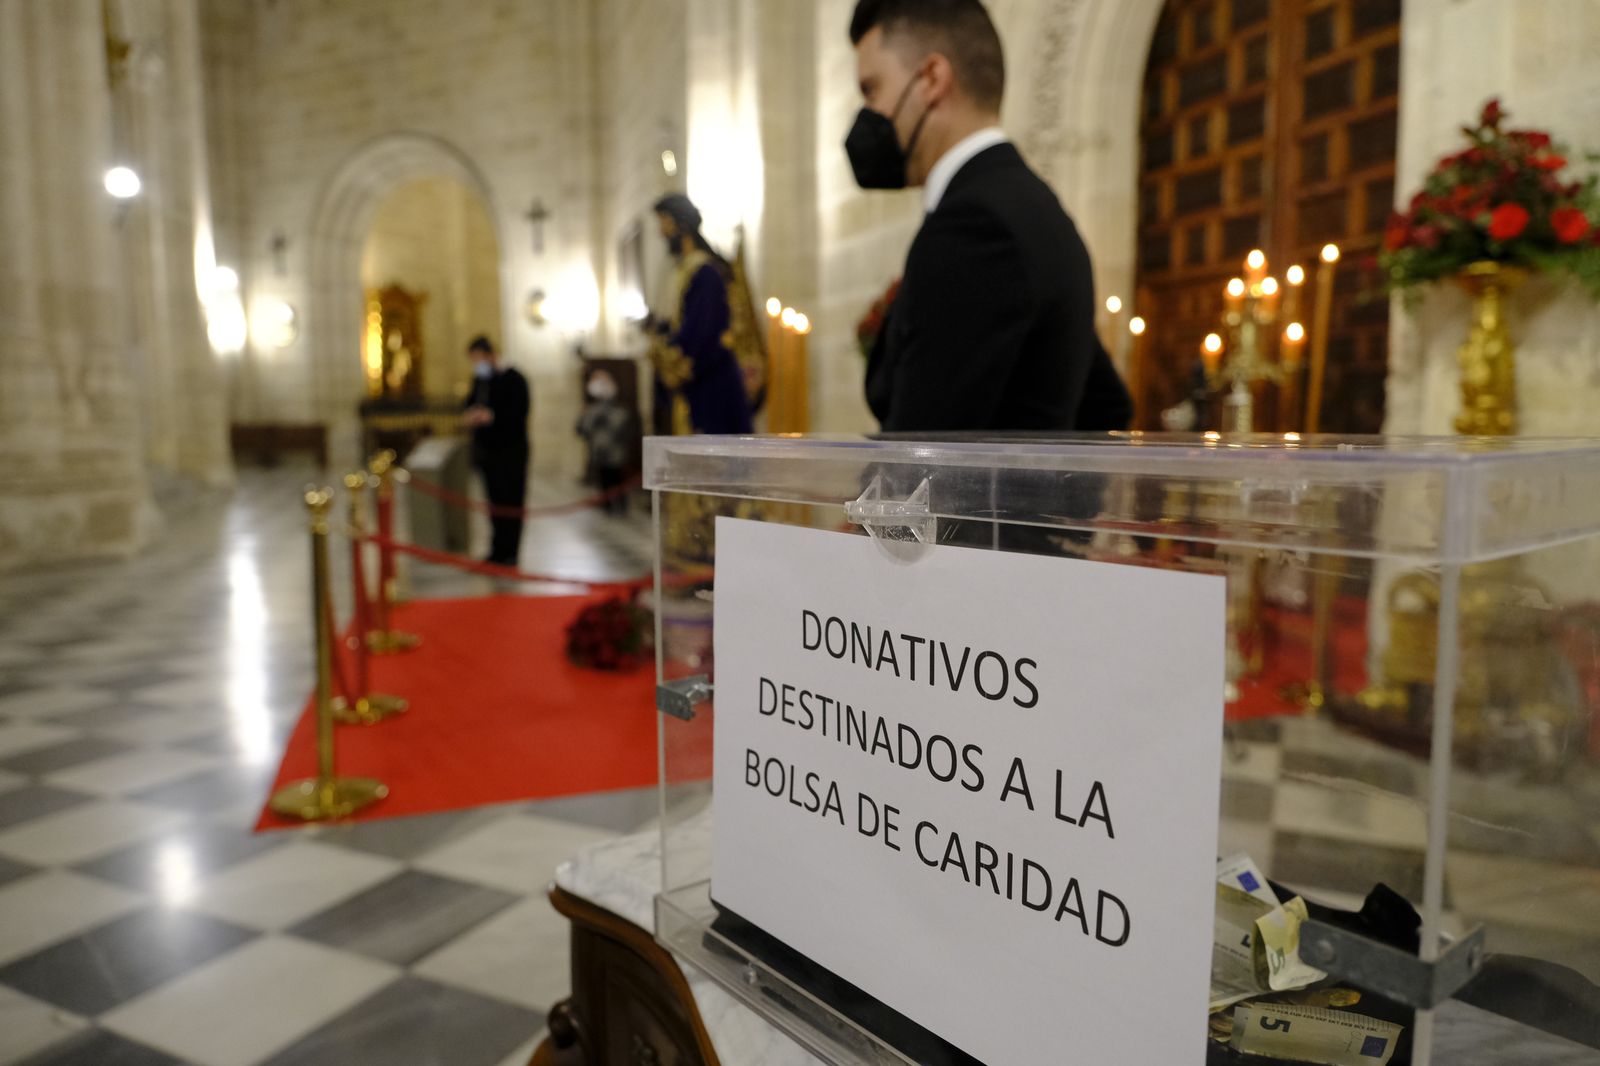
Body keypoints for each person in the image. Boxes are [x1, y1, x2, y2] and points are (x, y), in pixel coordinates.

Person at [848, 0, 1129, 433]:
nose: (867, 113)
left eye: (871, 89)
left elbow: (917, 459)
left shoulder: (976, 227)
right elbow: (1108, 406)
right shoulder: (1033, 205)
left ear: (932, 79)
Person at [645, 194, 755, 436]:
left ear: (679, 224)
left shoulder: (705, 272)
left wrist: (668, 352)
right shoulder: (685, 271)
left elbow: (700, 331)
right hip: (696, 383)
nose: (661, 232)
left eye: (664, 223)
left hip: (712, 385)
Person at [462, 335, 530, 566]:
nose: (476, 363)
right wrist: (471, 414)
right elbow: (469, 402)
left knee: (511, 502)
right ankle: (497, 550)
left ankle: (511, 552)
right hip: (488, 452)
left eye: (478, 358)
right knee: (493, 502)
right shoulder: (481, 380)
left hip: (510, 453)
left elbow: (519, 413)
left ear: (490, 355)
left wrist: (491, 416)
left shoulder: (515, 379)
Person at [576, 369, 635, 516]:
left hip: (615, 454)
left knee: (617, 480)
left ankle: (619, 506)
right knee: (604, 481)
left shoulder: (617, 409)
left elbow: (623, 428)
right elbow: (582, 429)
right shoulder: (592, 409)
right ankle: (608, 506)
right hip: (600, 453)